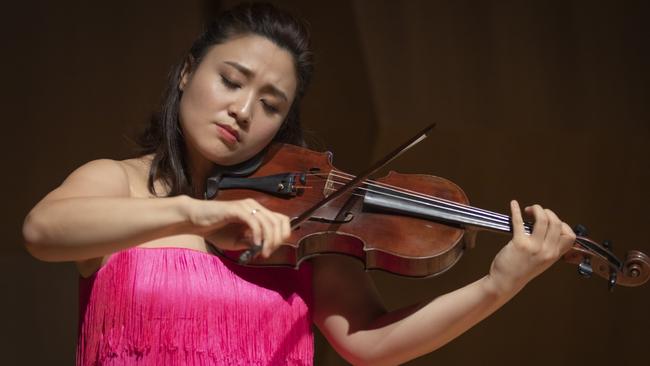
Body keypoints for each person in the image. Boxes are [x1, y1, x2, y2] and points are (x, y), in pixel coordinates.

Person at [22, 2, 576, 365]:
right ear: (189, 71)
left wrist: (498, 285)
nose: (241, 110)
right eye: (230, 81)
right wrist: (193, 213)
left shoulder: (300, 227)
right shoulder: (116, 183)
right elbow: (43, 231)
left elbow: (370, 342)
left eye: (269, 104)